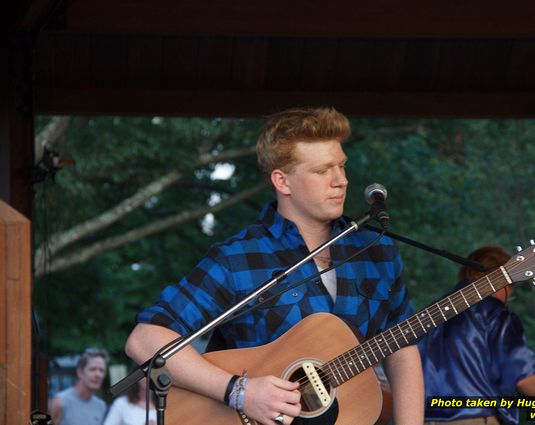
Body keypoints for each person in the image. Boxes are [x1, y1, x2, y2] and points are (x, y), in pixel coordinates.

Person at [125, 107, 424, 425]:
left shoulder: (376, 252)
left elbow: (401, 348)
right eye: (323, 171)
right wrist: (239, 392)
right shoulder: (237, 258)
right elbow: (145, 340)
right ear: (283, 182)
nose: (342, 181)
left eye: (341, 166)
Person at [418, 245, 535, 425]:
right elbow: (521, 374)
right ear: (503, 279)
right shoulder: (493, 312)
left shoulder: (425, 317)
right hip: (472, 418)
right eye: (510, 289)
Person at [49, 348, 109, 425]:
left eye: (101, 370)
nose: (98, 375)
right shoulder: (60, 402)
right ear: (80, 372)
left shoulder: (101, 406)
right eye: (93, 369)